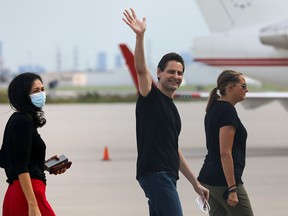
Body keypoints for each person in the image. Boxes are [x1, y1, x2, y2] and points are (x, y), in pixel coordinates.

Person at [122, 8, 209, 216]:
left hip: (167, 176)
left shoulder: (172, 108)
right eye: (171, 71)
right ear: (159, 73)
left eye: (180, 73)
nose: (176, 76)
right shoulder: (150, 97)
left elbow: (174, 150)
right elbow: (141, 70)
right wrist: (140, 36)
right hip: (156, 174)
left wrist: (195, 184)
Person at [0, 72, 66, 216]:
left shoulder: (19, 119)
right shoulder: (23, 121)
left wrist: (42, 165)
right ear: (22, 95)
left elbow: (7, 160)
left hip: (17, 192)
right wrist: (33, 204)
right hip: (28, 194)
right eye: (36, 91)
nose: (41, 94)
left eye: (42, 89)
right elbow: (20, 166)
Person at [197, 70, 254, 216]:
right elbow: (224, 153)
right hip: (223, 182)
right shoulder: (227, 112)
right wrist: (232, 189)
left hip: (208, 179)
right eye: (243, 86)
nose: (246, 89)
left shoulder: (213, 109)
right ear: (230, 87)